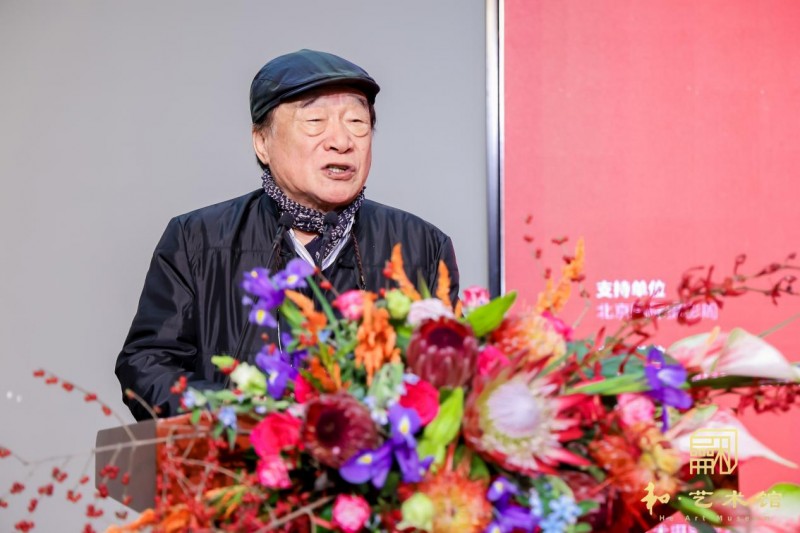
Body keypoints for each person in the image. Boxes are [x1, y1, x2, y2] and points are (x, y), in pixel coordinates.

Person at [115, 49, 460, 421]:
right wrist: (245, 418)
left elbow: (446, 379)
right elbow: (147, 365)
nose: (341, 140)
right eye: (314, 120)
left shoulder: (422, 246)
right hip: (237, 453)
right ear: (262, 143)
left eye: (357, 121)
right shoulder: (196, 239)